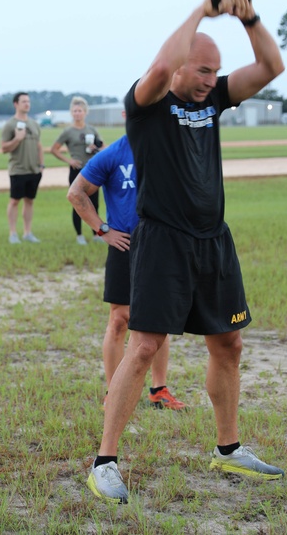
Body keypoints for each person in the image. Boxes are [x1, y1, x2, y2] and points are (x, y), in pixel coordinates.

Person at [86, 0, 286, 505]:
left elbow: (271, 65)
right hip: (163, 242)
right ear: (179, 68)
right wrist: (202, 7)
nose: (207, 81)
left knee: (229, 344)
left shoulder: (215, 96)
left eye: (212, 72)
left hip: (213, 241)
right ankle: (104, 462)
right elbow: (160, 64)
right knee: (145, 345)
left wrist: (249, 17)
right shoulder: (147, 103)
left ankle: (227, 449)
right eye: (199, 70)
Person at [67, 104, 186, 412]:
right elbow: (76, 192)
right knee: (120, 320)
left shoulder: (168, 151)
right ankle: (113, 391)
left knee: (161, 319)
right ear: (126, 117)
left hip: (160, 246)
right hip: (125, 246)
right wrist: (102, 229)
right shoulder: (113, 154)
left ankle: (158, 389)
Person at [52, 96, 104, 244]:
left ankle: (96, 234)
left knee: (94, 204)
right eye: (74, 111)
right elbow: (54, 149)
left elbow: (104, 148)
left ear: (85, 112)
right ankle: (79, 235)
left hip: (92, 170)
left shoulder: (92, 129)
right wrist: (69, 160)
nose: (77, 113)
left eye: (80, 111)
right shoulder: (68, 131)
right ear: (71, 113)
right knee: (77, 202)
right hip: (77, 170)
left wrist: (97, 149)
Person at [0, 92, 44, 244]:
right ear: (16, 104)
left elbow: (39, 145)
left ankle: (27, 232)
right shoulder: (10, 124)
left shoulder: (34, 124)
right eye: (24, 101)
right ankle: (13, 233)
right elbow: (4, 148)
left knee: (29, 201)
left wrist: (41, 164)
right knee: (14, 201)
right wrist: (17, 140)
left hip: (34, 169)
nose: (27, 104)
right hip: (18, 169)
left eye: (28, 101)